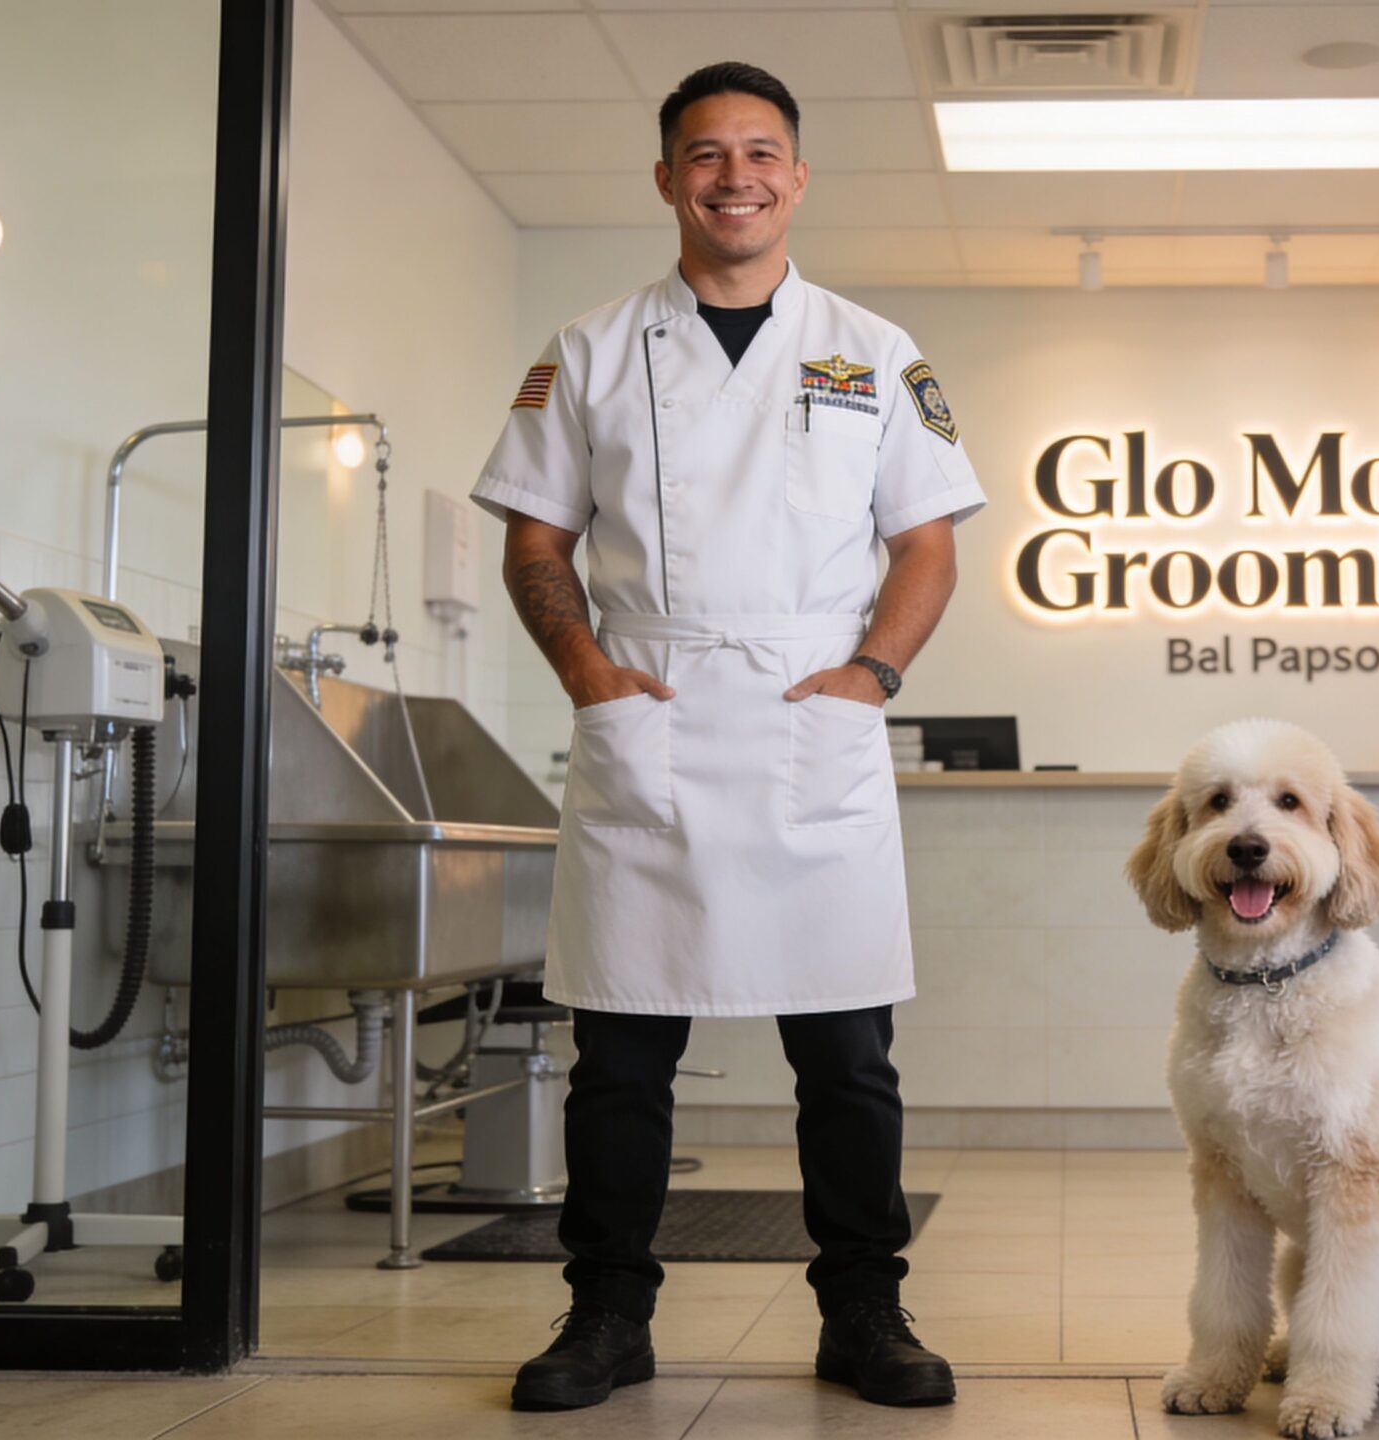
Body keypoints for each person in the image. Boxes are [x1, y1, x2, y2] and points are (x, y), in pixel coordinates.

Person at [471, 61, 984, 1414]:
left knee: (848, 1057)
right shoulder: (585, 349)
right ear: (666, 179)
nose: (736, 175)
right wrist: (591, 677)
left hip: (815, 713)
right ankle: (605, 1316)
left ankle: (865, 1311)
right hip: (656, 712)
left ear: (798, 178)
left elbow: (925, 546)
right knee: (622, 1055)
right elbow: (536, 540)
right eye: (707, 154)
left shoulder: (877, 350)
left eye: (762, 152)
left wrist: (872, 672)